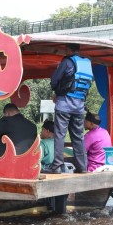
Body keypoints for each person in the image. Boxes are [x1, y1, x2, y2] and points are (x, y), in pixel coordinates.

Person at [48, 43, 92, 173]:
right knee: (78, 137)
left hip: (64, 104)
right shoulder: (86, 63)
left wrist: (57, 91)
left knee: (60, 135)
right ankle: (82, 167)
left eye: (65, 48)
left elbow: (54, 80)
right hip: (79, 107)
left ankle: (56, 166)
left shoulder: (67, 61)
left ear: (68, 49)